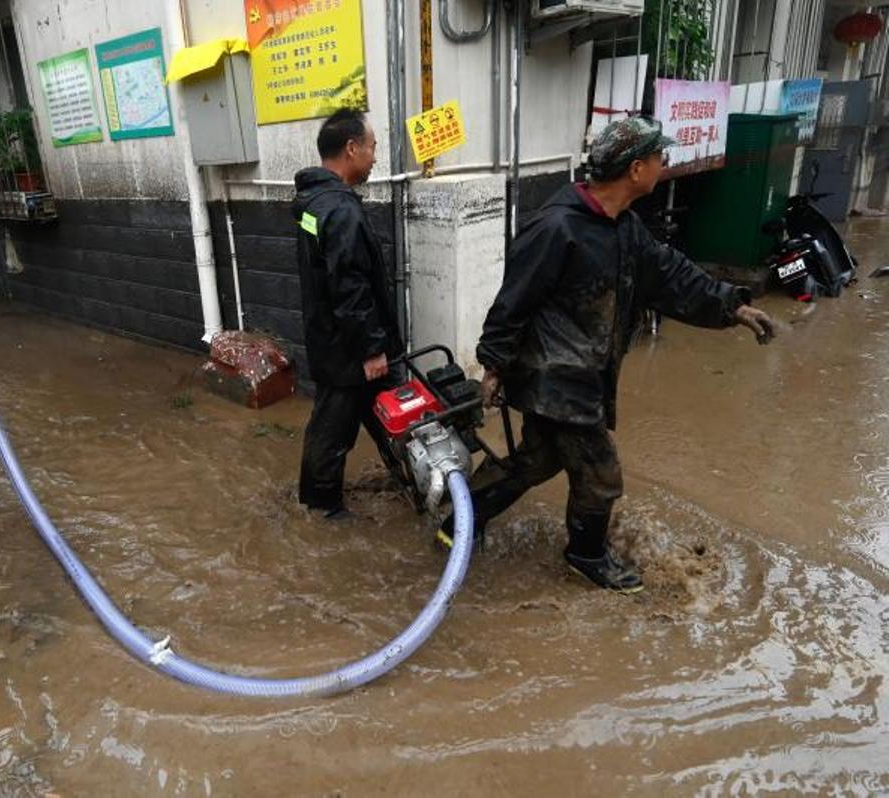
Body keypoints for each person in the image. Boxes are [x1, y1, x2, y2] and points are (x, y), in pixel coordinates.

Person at [437, 116, 776, 593]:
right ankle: (585, 554)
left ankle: (459, 521)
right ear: (636, 169)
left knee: (536, 460)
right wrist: (493, 365)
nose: (665, 164)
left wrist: (732, 305)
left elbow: (672, 274)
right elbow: (514, 300)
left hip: (584, 374)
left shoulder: (624, 228)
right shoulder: (557, 227)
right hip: (556, 378)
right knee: (600, 473)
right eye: (660, 157)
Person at [293, 109, 404, 520]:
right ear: (352, 148)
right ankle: (322, 509)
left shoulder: (314, 205)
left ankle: (411, 479)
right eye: (373, 147)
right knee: (332, 430)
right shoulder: (340, 211)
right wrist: (372, 349)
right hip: (350, 353)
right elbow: (349, 286)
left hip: (333, 340)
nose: (376, 156)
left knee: (386, 414)